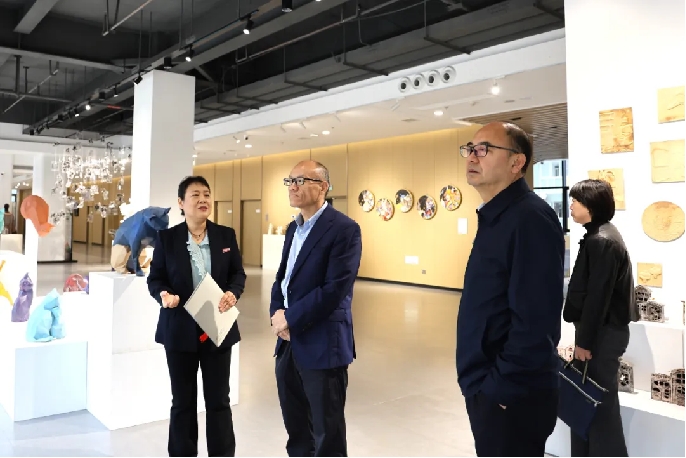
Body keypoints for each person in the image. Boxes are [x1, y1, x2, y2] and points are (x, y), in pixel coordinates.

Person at [456, 122, 565, 457]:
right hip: (490, 386)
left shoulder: (529, 218)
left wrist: (499, 389)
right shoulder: (498, 216)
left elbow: (535, 321)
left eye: (484, 149)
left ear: (517, 162)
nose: (472, 156)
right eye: (470, 148)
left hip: (510, 395)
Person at [147, 176, 246, 457]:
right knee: (182, 402)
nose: (203, 199)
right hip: (179, 329)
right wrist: (164, 295)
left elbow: (237, 273)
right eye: (195, 195)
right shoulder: (167, 239)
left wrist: (233, 292)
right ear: (181, 203)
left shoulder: (225, 235)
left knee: (219, 401)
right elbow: (156, 278)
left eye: (206, 194)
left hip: (217, 326)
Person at [270, 160, 362, 457]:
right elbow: (282, 279)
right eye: (290, 181)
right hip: (288, 343)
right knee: (297, 429)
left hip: (322, 344)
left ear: (322, 186)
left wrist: (289, 318)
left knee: (327, 433)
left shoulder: (344, 229)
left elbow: (334, 289)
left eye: (300, 180)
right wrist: (276, 313)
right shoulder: (292, 229)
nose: (292, 187)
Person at [564, 179, 638, 457]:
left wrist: (584, 342)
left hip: (601, 336)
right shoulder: (601, 235)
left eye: (576, 201)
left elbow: (598, 298)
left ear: (592, 205)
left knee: (599, 406)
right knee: (587, 402)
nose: (571, 206)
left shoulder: (602, 241)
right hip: (601, 333)